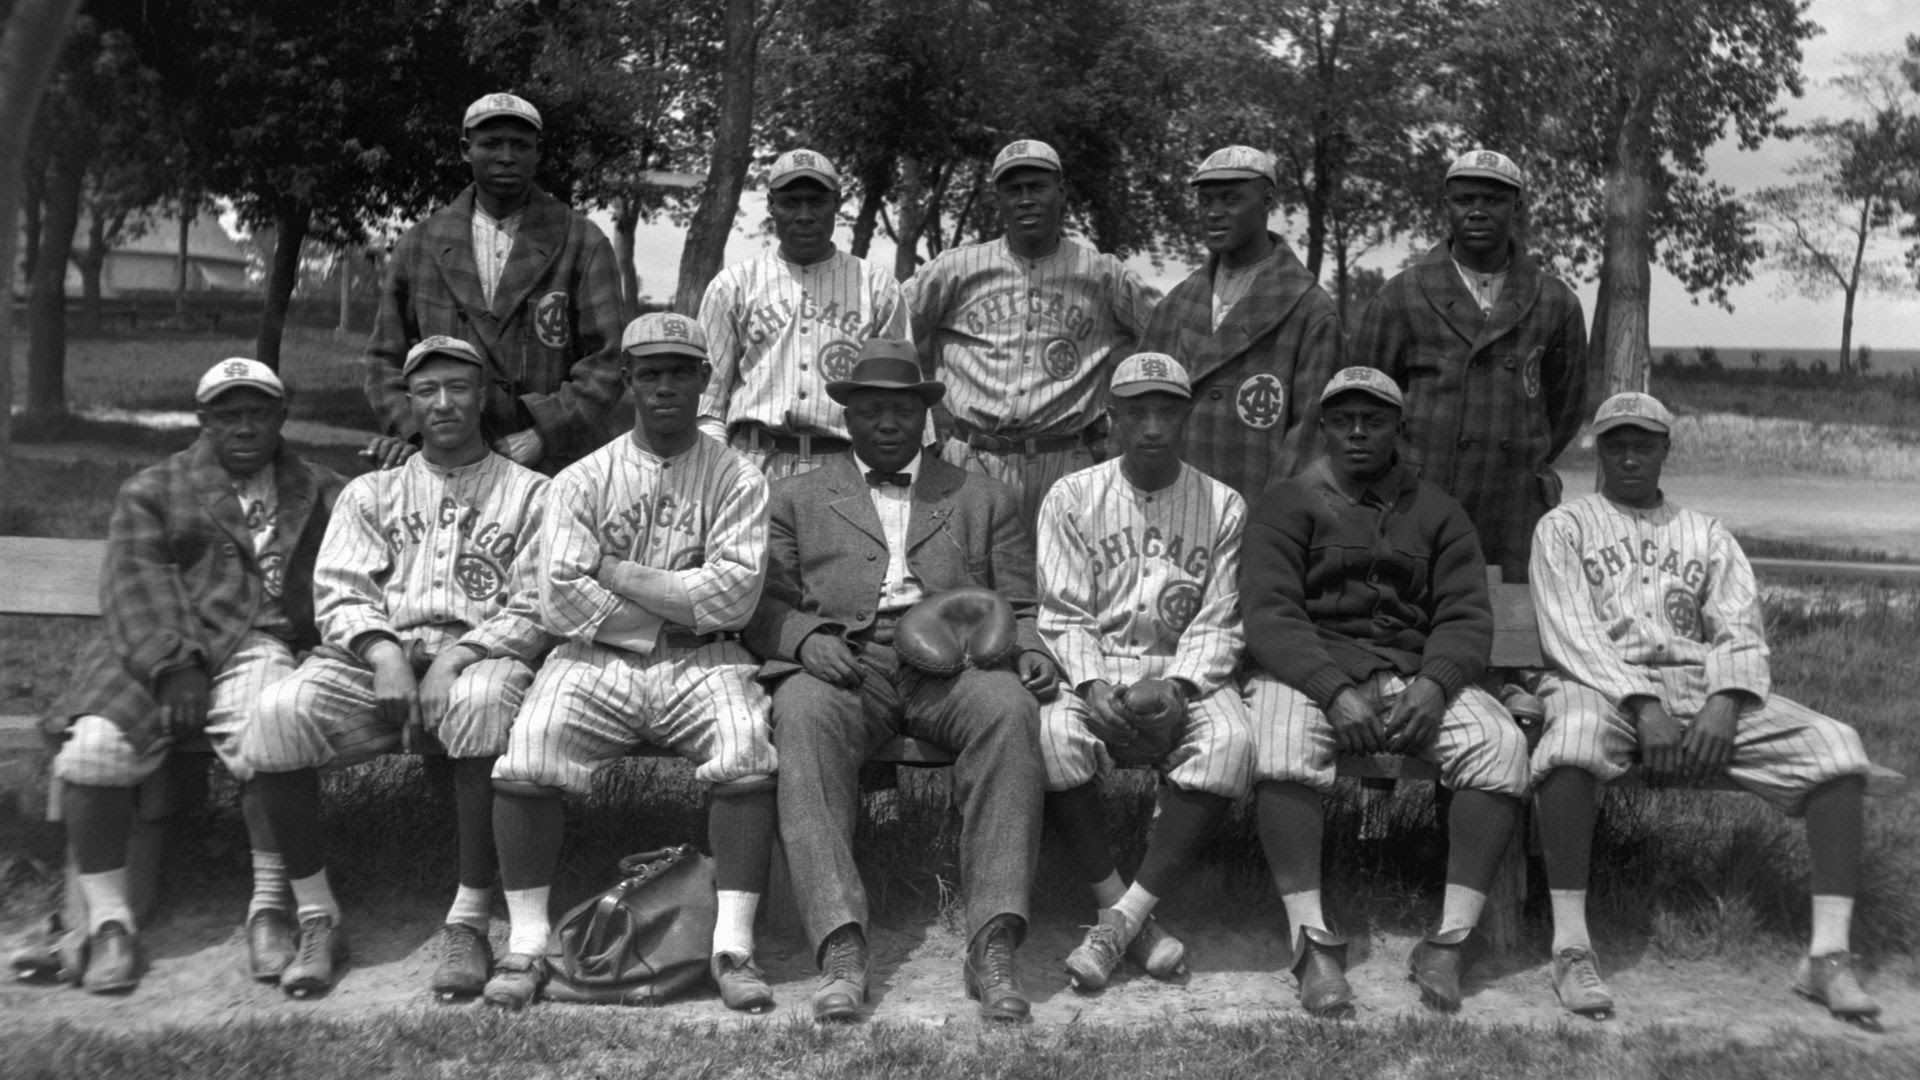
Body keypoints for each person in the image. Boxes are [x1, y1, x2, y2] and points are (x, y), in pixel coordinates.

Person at [1528, 392, 1879, 1020]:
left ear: (1666, 449)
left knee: (1838, 747)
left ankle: (1826, 958)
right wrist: (1642, 704)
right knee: (1570, 743)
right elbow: (1571, 634)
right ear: (1599, 450)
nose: (1629, 456)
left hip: (1699, 687)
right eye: (1616, 443)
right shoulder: (1564, 527)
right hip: (1598, 684)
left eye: (1644, 444)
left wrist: (1725, 700)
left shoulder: (1706, 533)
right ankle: (1571, 948)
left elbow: (1739, 628)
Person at [746, 340, 1058, 1024]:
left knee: (1010, 711)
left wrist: (1030, 649)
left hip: (957, 665)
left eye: (902, 410)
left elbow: (1022, 602)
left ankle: (993, 942)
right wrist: (805, 640)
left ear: (924, 416)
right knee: (801, 714)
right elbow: (763, 603)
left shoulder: (982, 495)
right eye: (871, 410)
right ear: (848, 419)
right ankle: (841, 947)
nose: (887, 422)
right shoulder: (795, 497)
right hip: (848, 663)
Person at [482, 313, 780, 1014]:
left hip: (707, 661)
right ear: (628, 382)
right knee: (528, 750)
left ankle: (732, 947)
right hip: (593, 659)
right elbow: (559, 600)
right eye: (651, 373)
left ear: (707, 380)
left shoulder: (739, 477)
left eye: (682, 372)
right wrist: (678, 601)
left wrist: (615, 571)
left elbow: (735, 597)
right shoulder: (582, 478)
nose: (667, 386)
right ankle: (526, 944)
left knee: (744, 749)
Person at [243, 336, 550, 999]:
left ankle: (468, 918)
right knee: (274, 715)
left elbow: (538, 605)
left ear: (486, 396)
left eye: (459, 387)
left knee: (481, 703)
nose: (443, 403)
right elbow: (340, 591)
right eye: (426, 390)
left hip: (479, 654)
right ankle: (317, 915)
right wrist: (384, 654)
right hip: (374, 661)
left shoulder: (532, 494)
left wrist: (456, 659)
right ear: (408, 402)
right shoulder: (370, 493)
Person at [34, 359, 343, 994]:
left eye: (259, 412)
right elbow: (136, 580)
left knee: (269, 736)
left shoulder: (314, 485)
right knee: (93, 750)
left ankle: (269, 907)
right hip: (156, 647)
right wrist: (173, 665)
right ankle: (109, 922)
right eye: (229, 414)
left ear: (282, 418)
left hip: (259, 641)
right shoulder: (154, 487)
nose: (245, 426)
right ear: (202, 421)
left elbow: (374, 526)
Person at [1241, 366, 1528, 1016]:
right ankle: (1311, 942)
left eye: (1374, 419)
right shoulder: (1289, 501)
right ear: (1324, 427)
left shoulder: (1436, 510)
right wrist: (1332, 688)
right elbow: (1268, 613)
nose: (1358, 432)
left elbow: (1465, 615)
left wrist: (1436, 683)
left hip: (1411, 675)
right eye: (1343, 419)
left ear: (1399, 427)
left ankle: (1450, 942)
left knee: (1498, 744)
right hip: (1310, 670)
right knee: (1282, 740)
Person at [1034, 353, 1252, 991]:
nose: (1152, 426)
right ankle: (1122, 909)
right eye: (1137, 412)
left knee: (1231, 743)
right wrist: (1092, 684)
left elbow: (1221, 619)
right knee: (1050, 737)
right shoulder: (1073, 495)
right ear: (1113, 419)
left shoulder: (1223, 504)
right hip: (1094, 667)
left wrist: (1181, 688)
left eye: (1166, 411)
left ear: (1185, 416)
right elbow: (1062, 611)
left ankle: (1118, 922)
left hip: (1186, 671)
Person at [1347, 149, 1586, 583]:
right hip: (1419, 501)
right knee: (1412, 626)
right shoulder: (1400, 297)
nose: (1477, 212)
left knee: (1514, 631)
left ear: (1518, 207)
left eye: (1493, 201)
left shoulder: (1555, 301)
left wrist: (1521, 453)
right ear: (1446, 206)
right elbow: (1362, 406)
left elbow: (1565, 406)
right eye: (1464, 200)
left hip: (1515, 506)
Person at [364, 92, 629, 476]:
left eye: (520, 145)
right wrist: (417, 435)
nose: (506, 156)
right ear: (465, 149)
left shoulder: (581, 241)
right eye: (490, 143)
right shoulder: (421, 242)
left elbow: (610, 359)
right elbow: (383, 359)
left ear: (538, 152)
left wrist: (544, 433)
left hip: (554, 466)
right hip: (444, 465)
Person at [904, 139, 1155, 526]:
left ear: (1061, 192)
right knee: (963, 582)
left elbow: (1167, 338)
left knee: (1066, 582)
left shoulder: (1102, 274)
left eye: (1037, 187)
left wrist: (1125, 428)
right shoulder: (956, 268)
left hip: (1067, 460)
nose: (1025, 199)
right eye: (1013, 190)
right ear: (998, 200)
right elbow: (889, 338)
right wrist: (922, 434)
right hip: (971, 457)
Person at [1139, 146, 1344, 501]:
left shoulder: (1309, 309)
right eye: (1205, 201)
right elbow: (1136, 409)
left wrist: (1273, 527)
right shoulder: (1175, 305)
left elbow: (1310, 436)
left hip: (1255, 514)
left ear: (1267, 201)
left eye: (1231, 199)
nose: (1214, 213)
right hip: (1168, 512)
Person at [696, 148, 908, 479]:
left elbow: (902, 393)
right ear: (771, 205)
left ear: (837, 203)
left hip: (845, 464)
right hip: (752, 461)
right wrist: (719, 473)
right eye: (791, 202)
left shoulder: (877, 286)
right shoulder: (733, 285)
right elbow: (709, 401)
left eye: (816, 201)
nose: (804, 214)